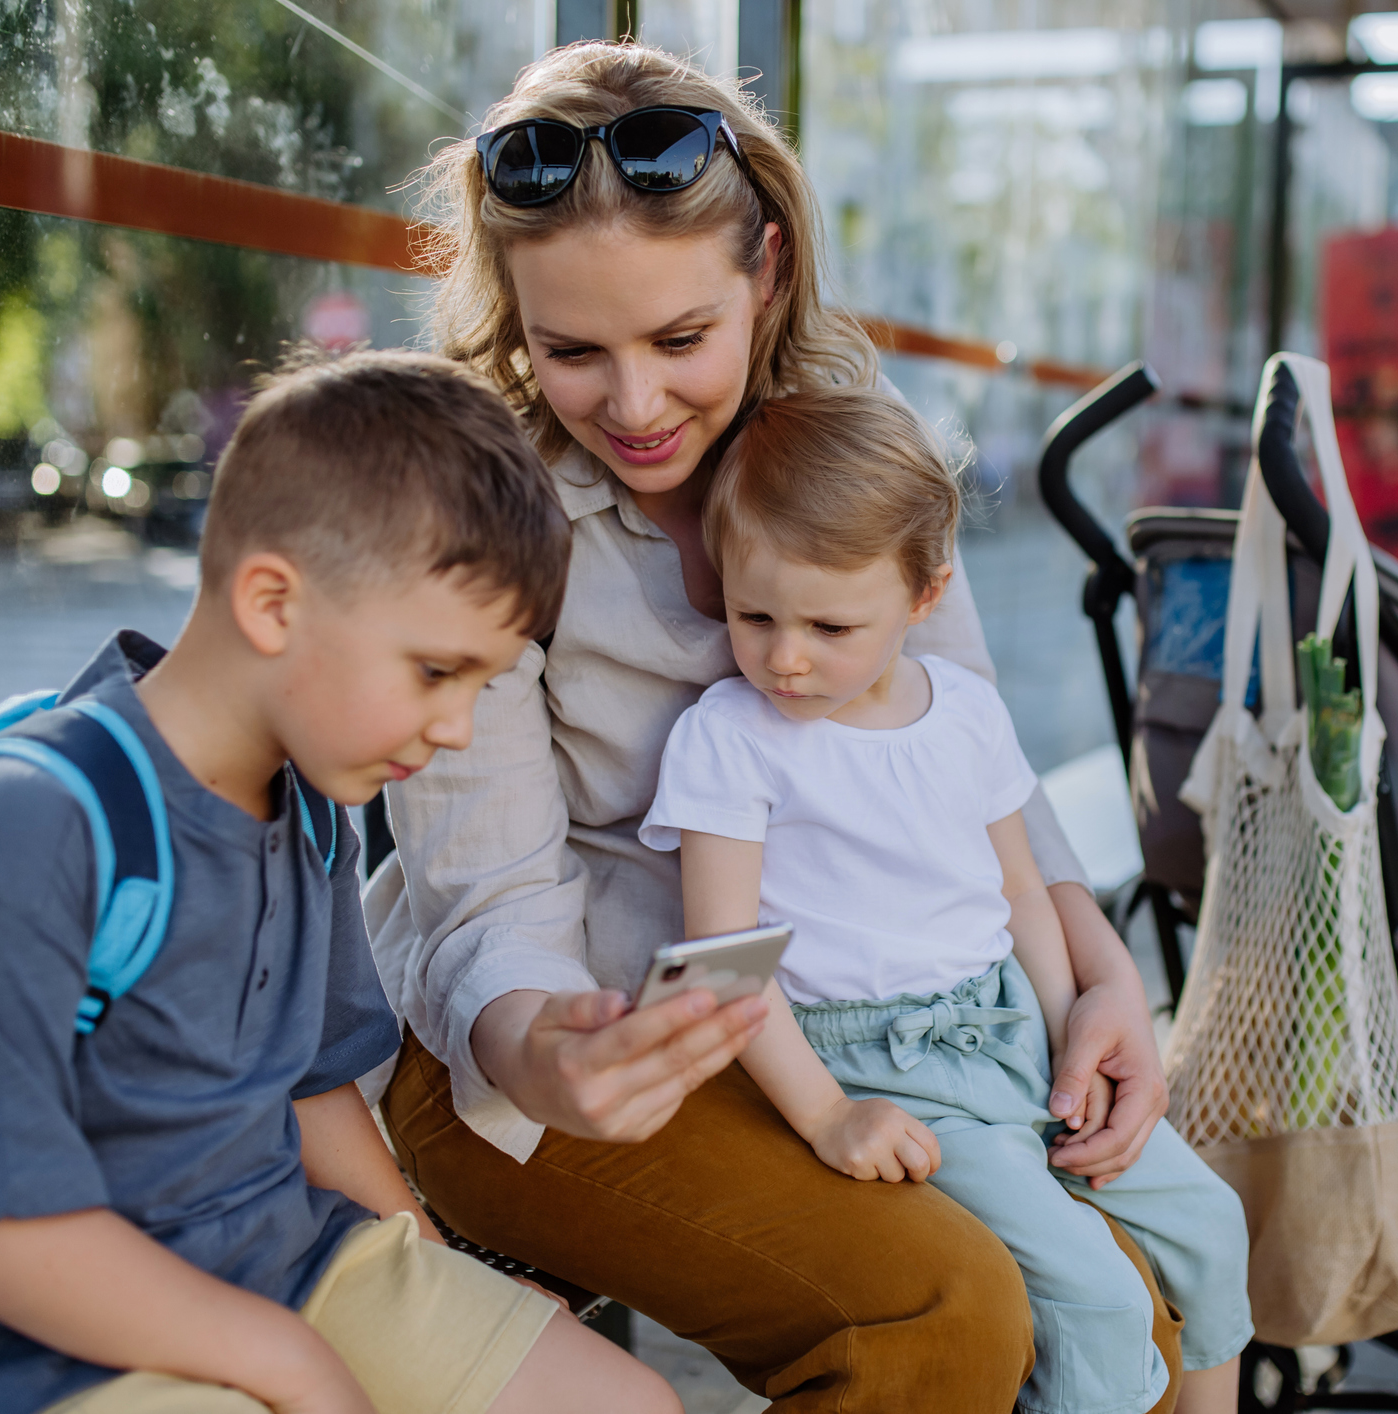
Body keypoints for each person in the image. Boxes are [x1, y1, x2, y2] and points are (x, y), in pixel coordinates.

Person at [369, 40, 1188, 1413]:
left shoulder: (862, 455)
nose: (633, 405)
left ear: (768, 270)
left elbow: (966, 753)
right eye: (571, 351)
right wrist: (544, 1049)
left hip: (877, 1028)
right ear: (511, 319)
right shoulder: (478, 510)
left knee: (1139, 1291)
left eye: (679, 339)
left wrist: (1100, 973)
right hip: (551, 1053)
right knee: (942, 1317)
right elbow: (489, 902)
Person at [0, 350, 681, 1414]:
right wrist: (284, 1359)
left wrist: (433, 1271)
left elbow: (311, 1084)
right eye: (434, 672)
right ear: (273, 601)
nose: (456, 727)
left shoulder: (309, 806)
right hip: (12, 1345)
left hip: (280, 1261)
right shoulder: (28, 829)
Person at [640, 387, 1253, 1414]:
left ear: (925, 595)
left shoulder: (964, 713)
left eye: (830, 624)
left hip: (1011, 1031)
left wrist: (1070, 1042)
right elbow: (723, 955)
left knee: (1212, 1222)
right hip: (879, 1064)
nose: (784, 656)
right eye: (754, 616)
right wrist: (829, 1114)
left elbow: (1020, 887)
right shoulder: (729, 735)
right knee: (1097, 1299)